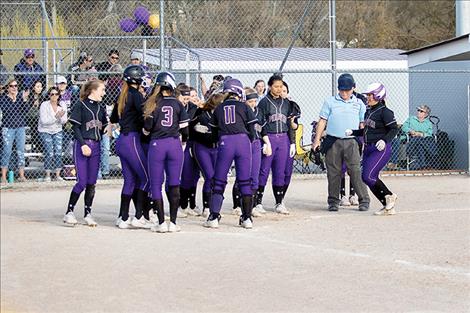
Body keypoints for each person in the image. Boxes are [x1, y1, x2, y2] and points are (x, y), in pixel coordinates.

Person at [311, 73, 370, 212]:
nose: (344, 93)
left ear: (353, 88)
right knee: (333, 172)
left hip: (352, 142)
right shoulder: (330, 102)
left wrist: (366, 140)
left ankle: (364, 199)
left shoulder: (359, 103)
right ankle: (333, 201)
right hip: (333, 141)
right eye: (341, 90)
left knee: (355, 170)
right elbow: (322, 121)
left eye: (347, 90)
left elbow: (362, 124)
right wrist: (316, 140)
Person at [204, 78, 258, 229]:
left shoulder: (219, 108)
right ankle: (247, 218)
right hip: (242, 142)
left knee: (219, 180)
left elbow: (213, 133)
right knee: (245, 181)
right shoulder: (245, 106)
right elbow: (253, 131)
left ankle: (214, 216)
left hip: (225, 142)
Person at [143, 71, 189, 233]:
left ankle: (162, 222)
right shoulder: (178, 104)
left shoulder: (153, 103)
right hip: (174, 144)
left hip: (157, 145)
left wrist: (146, 132)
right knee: (174, 182)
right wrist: (182, 143)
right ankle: (174, 222)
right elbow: (185, 131)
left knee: (156, 184)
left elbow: (147, 129)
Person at [346, 83, 399, 215]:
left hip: (380, 148)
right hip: (368, 148)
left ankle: (389, 195)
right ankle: (387, 205)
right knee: (368, 178)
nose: (368, 97)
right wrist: (354, 132)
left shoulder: (385, 111)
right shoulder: (369, 111)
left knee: (368, 176)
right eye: (367, 95)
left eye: (370, 95)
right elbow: (367, 131)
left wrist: (384, 140)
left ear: (378, 95)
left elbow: (394, 129)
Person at [110, 65, 150, 229]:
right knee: (146, 178)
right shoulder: (135, 95)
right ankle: (139, 216)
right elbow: (143, 118)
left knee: (130, 180)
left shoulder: (122, 95)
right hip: (132, 140)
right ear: (137, 79)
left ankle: (123, 217)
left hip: (122, 141)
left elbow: (113, 117)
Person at [63, 80, 109, 226]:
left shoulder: (100, 108)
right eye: (102, 89)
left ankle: (87, 213)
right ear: (93, 90)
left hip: (96, 146)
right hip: (83, 145)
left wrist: (110, 127)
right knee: (81, 182)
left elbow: (104, 126)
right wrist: (83, 144)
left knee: (91, 183)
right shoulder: (80, 105)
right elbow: (75, 128)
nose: (104, 93)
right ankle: (69, 212)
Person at [255, 74, 295, 215]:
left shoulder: (286, 103)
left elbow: (289, 124)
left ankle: (279, 202)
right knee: (264, 170)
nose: (279, 89)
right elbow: (259, 123)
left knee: (280, 171)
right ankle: (257, 203)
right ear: (270, 86)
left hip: (283, 138)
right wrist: (264, 141)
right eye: (276, 86)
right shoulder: (264, 102)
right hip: (269, 138)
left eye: (281, 87)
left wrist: (292, 142)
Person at [232, 87, 271, 217]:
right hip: (244, 144)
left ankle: (252, 206)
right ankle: (237, 205)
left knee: (255, 175)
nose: (253, 104)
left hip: (256, 143)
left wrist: (267, 143)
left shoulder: (259, 111)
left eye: (255, 101)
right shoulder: (241, 111)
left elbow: (263, 129)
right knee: (242, 176)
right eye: (250, 101)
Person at [189, 92, 224, 217]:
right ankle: (207, 207)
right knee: (210, 176)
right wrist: (198, 130)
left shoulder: (223, 116)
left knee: (216, 177)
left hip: (216, 148)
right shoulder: (203, 115)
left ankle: (214, 205)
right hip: (202, 148)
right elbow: (191, 127)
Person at [0, 79, 30, 184]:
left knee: (20, 151)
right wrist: (13, 99)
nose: (14, 88)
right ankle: (3, 176)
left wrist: (24, 99)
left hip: (20, 127)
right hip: (8, 127)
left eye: (16, 86)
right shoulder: (3, 98)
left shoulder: (20, 98)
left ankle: (22, 175)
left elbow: (26, 111)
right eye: (12, 86)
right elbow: (6, 111)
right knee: (6, 151)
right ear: (8, 88)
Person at [178, 84, 201, 217]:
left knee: (195, 175)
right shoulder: (183, 107)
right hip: (183, 143)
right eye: (189, 97)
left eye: (194, 96)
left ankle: (192, 204)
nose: (192, 99)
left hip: (195, 143)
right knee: (186, 174)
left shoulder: (195, 108)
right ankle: (183, 204)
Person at [389, 104, 435, 170]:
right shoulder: (411, 118)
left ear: (426, 114)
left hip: (421, 139)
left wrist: (420, 134)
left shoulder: (428, 123)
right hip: (409, 137)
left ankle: (421, 164)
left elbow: (429, 134)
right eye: (418, 110)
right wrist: (411, 131)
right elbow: (404, 127)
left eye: (421, 111)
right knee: (419, 142)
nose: (418, 112)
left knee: (420, 143)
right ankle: (427, 161)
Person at [38, 86, 68, 182]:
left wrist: (60, 118)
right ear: (49, 95)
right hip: (45, 130)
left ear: (59, 95)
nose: (54, 96)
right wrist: (56, 117)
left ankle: (58, 174)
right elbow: (44, 121)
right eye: (52, 94)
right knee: (49, 152)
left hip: (57, 130)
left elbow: (64, 121)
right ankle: (48, 175)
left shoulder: (62, 105)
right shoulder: (44, 105)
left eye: (56, 94)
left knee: (58, 152)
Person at [26, 80, 44, 153]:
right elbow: (27, 110)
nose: (40, 88)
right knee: (35, 126)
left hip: (38, 118)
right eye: (38, 87)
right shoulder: (29, 96)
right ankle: (38, 147)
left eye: (41, 87)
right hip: (30, 118)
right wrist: (34, 104)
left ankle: (39, 147)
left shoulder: (42, 97)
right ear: (34, 88)